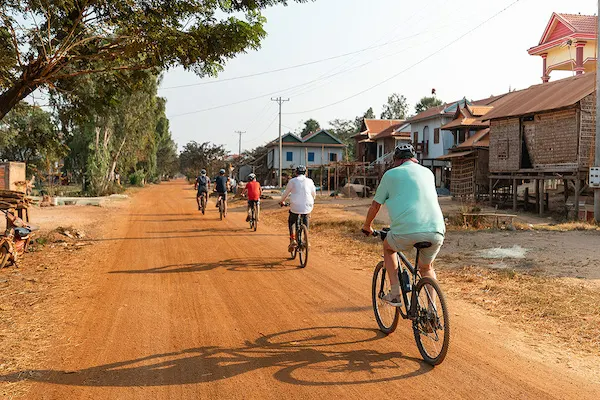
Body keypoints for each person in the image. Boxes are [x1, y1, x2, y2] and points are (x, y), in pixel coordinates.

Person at [362, 144, 445, 307]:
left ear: (396, 160)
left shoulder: (390, 174)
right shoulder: (428, 172)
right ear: (414, 158)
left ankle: (395, 294)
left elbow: (375, 206)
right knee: (426, 267)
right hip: (436, 230)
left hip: (406, 231)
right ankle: (432, 309)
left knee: (389, 247)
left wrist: (367, 226)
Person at [279, 165, 316, 252]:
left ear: (296, 173)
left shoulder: (292, 181)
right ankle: (306, 239)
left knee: (292, 221)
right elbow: (314, 193)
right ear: (305, 173)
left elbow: (285, 193)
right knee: (306, 218)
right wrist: (311, 201)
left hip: (295, 206)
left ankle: (293, 239)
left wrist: (281, 201)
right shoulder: (310, 181)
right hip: (308, 205)